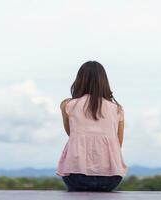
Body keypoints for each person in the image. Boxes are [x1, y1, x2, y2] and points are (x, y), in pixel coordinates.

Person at [56, 61, 127, 192]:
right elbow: (118, 144)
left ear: (79, 81)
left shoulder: (68, 105)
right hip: (111, 177)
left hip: (76, 176)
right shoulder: (117, 109)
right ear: (104, 81)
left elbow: (71, 134)